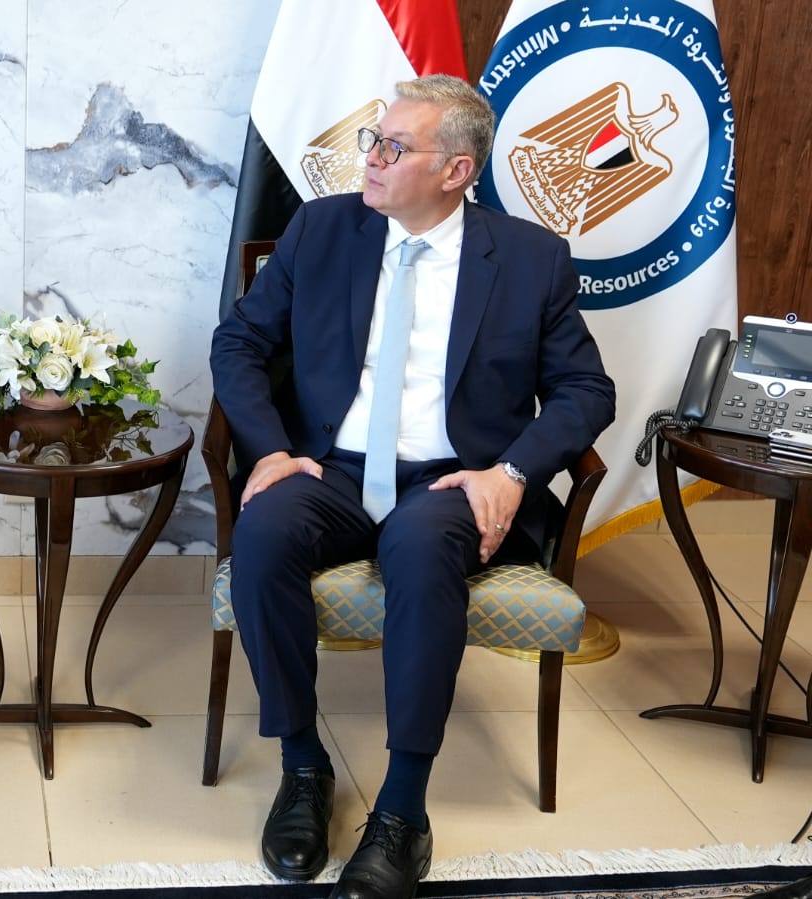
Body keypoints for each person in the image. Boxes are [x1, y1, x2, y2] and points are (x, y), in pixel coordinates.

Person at [209, 75, 615, 899]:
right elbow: (238, 342)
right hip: (331, 467)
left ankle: (401, 810)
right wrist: (271, 450)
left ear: (457, 171)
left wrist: (511, 472)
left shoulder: (531, 260)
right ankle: (303, 766)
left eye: (395, 147)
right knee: (264, 531)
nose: (372, 158)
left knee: (424, 552)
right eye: (374, 140)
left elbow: (586, 390)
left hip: (451, 479)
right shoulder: (321, 229)